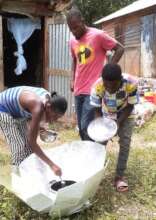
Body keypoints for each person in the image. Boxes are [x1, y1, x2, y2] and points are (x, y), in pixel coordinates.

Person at [66, 8, 124, 140]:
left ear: (83, 22)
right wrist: (71, 80)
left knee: (86, 125)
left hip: (93, 89)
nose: (74, 32)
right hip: (78, 89)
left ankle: (93, 153)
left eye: (76, 27)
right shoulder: (72, 41)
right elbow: (75, 60)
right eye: (71, 29)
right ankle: (90, 152)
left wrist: (106, 72)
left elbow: (120, 49)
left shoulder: (98, 35)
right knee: (81, 127)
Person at [90, 63, 138, 192]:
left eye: (114, 86)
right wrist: (101, 126)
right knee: (99, 144)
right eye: (107, 85)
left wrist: (118, 123)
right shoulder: (97, 86)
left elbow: (131, 105)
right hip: (106, 115)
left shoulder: (131, 83)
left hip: (126, 114)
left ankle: (119, 176)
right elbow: (96, 109)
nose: (110, 89)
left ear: (120, 80)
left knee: (125, 144)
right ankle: (94, 175)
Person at [0, 86, 67, 176]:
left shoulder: (48, 100)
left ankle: (27, 174)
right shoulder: (38, 107)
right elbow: (33, 143)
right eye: (54, 116)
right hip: (3, 109)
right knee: (19, 147)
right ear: (48, 107)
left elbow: (28, 115)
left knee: (27, 149)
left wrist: (37, 127)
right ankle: (16, 178)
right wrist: (52, 165)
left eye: (57, 118)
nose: (53, 120)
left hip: (17, 113)